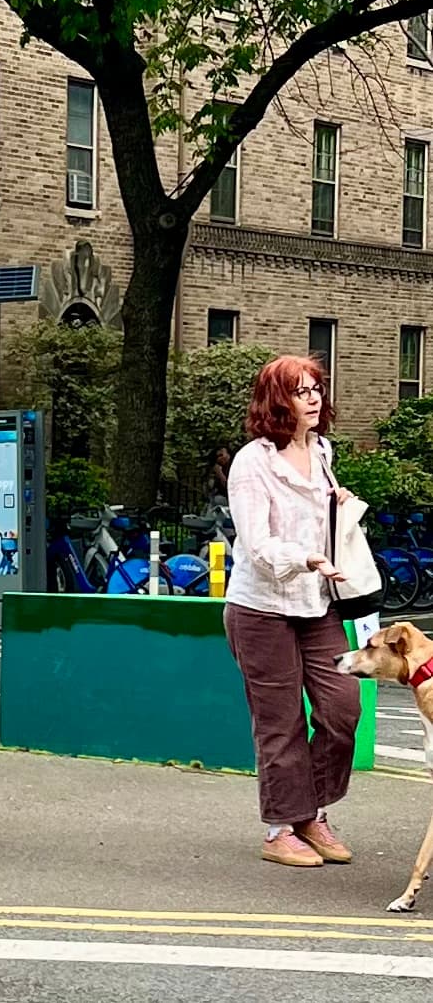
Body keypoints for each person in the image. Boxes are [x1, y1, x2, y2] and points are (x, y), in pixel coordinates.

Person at [224, 355, 361, 869]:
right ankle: (280, 828)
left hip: (318, 604)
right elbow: (257, 543)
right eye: (301, 391)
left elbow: (318, 516)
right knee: (279, 723)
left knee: (343, 708)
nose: (313, 398)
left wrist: (339, 504)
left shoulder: (322, 450)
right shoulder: (253, 462)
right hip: (261, 608)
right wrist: (305, 557)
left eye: (316, 388)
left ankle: (312, 813)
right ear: (276, 401)